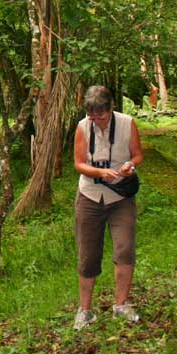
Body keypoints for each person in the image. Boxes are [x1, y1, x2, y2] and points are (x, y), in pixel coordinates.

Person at [71, 85, 144, 330]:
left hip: (120, 198)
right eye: (92, 115)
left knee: (124, 249)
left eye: (100, 115)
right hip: (90, 195)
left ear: (110, 109)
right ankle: (85, 310)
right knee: (88, 254)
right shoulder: (83, 127)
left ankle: (121, 305)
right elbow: (79, 163)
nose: (96, 120)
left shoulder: (127, 123)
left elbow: (138, 156)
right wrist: (100, 172)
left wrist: (127, 167)